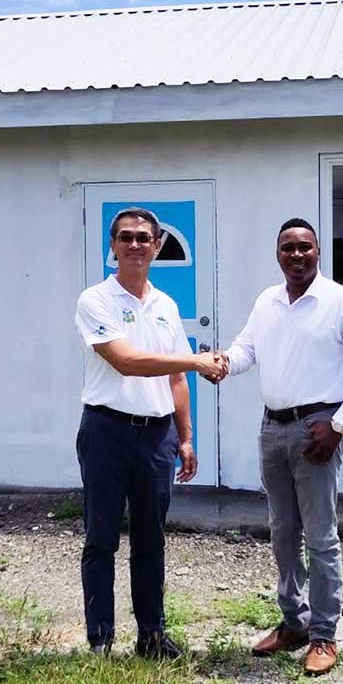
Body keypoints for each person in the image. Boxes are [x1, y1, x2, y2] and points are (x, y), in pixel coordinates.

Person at [216, 217, 343, 675]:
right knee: (282, 533)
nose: (296, 254)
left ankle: (323, 636)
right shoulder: (266, 302)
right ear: (278, 255)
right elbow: (245, 351)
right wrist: (220, 363)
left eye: (304, 247)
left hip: (317, 430)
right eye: (287, 247)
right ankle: (293, 622)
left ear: (318, 252)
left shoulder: (341, 303)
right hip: (272, 430)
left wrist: (339, 424)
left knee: (321, 537)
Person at [74, 207, 226, 659]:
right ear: (113, 247)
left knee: (150, 539)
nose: (136, 245)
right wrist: (198, 360)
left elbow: (175, 381)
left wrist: (186, 437)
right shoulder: (95, 300)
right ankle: (100, 640)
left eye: (144, 238)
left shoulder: (166, 306)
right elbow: (126, 361)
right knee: (101, 538)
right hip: (107, 431)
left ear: (157, 246)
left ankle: (152, 637)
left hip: (157, 437)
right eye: (126, 237)